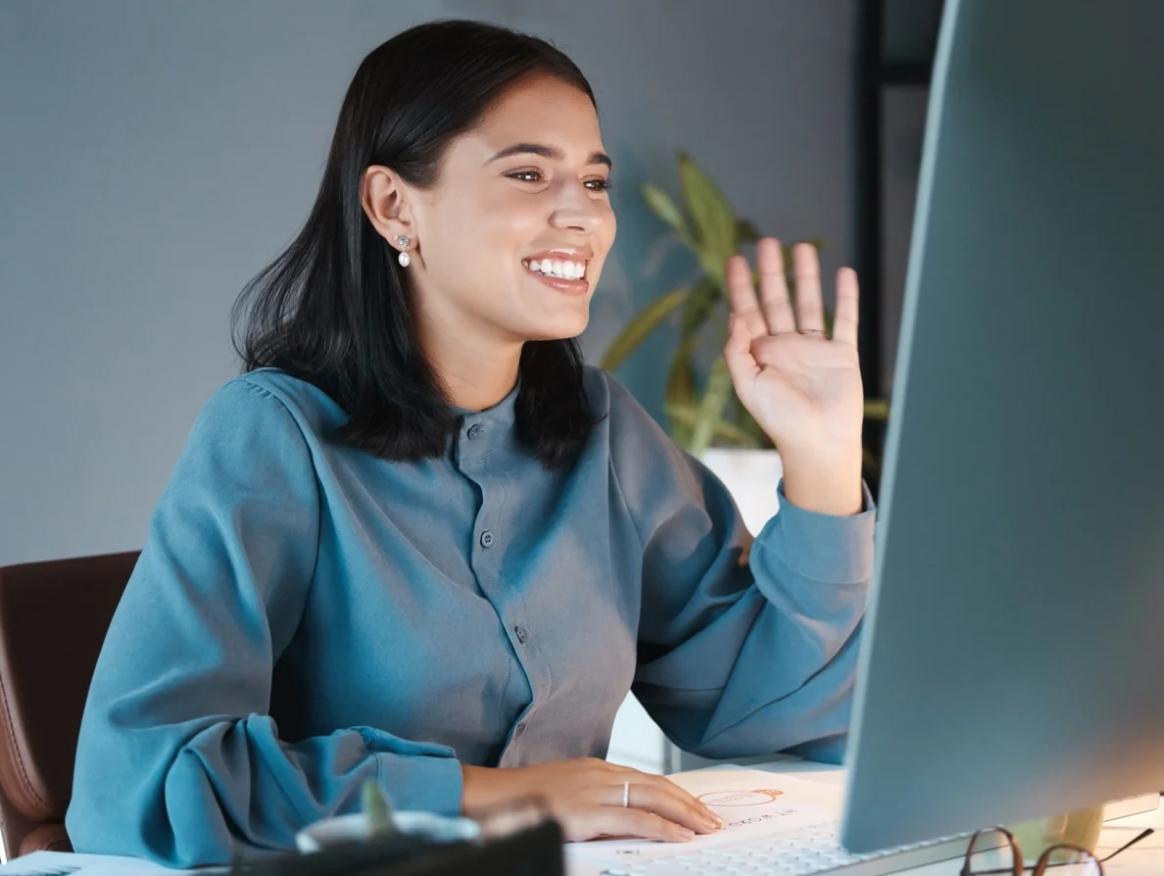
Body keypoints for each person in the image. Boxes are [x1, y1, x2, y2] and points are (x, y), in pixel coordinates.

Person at [64, 18, 876, 868]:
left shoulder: (604, 432)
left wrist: (821, 457)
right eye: (528, 174)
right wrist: (499, 797)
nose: (583, 215)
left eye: (594, 182)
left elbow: (779, 711)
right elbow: (141, 779)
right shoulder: (274, 435)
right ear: (393, 206)